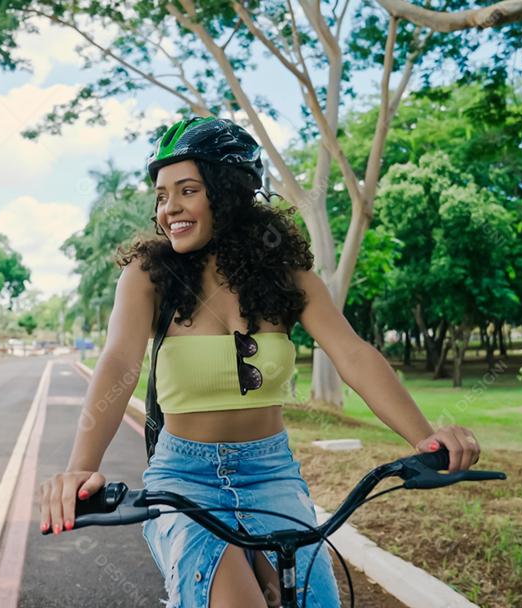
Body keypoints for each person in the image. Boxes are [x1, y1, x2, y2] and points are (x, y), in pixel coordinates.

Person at [38, 116, 482, 607]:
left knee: (314, 600)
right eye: (162, 196)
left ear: (227, 193)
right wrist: (81, 469)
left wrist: (425, 438)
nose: (169, 209)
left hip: (271, 471)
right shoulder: (150, 275)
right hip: (185, 478)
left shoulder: (288, 277)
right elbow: (118, 363)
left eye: (187, 190)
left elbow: (354, 355)